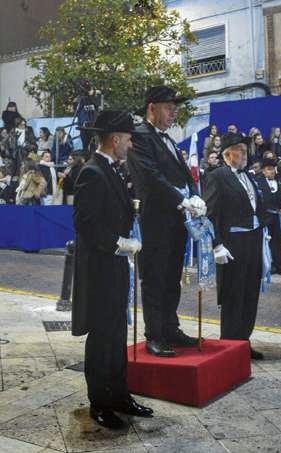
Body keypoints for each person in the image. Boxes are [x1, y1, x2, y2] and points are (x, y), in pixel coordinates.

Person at [72, 110, 153, 430]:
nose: (131, 145)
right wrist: (118, 242)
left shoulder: (114, 170)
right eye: (129, 139)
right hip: (101, 268)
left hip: (116, 265)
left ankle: (119, 394)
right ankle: (99, 401)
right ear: (115, 139)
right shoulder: (92, 172)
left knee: (117, 332)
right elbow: (85, 223)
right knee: (102, 335)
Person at [127, 86, 205, 357]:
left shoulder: (168, 139)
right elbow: (149, 177)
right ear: (152, 107)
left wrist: (195, 196)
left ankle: (170, 327)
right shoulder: (140, 136)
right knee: (155, 277)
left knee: (172, 277)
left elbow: (185, 174)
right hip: (156, 217)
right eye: (168, 106)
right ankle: (155, 335)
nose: (173, 112)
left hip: (176, 219)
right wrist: (180, 199)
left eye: (175, 107)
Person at [204, 132, 265, 359]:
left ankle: (243, 341)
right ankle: (229, 344)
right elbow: (209, 215)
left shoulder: (248, 176)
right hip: (233, 243)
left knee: (250, 292)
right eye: (241, 149)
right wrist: (216, 244)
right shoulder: (217, 176)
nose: (245, 153)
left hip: (253, 240)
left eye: (246, 149)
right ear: (228, 153)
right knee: (234, 294)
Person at [255, 158, 281, 277]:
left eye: (273, 169)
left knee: (278, 242)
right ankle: (264, 266)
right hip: (265, 216)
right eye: (269, 169)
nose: (272, 172)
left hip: (278, 216)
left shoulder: (280, 182)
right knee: (264, 242)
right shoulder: (258, 183)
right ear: (263, 171)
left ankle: (278, 266)